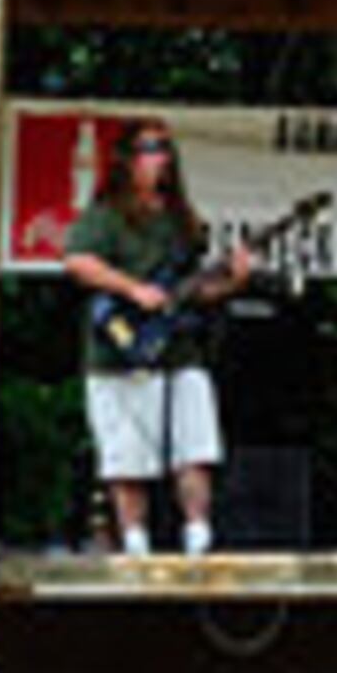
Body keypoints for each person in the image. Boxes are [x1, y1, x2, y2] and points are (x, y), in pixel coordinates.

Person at [60, 115, 256, 559]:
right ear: (128, 159)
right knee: (125, 453)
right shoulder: (106, 215)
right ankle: (135, 542)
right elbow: (76, 262)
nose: (161, 158)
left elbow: (194, 291)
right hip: (119, 350)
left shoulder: (181, 222)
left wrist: (233, 282)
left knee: (196, 443)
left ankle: (198, 534)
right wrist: (132, 289)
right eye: (150, 148)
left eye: (166, 148)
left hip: (178, 352)